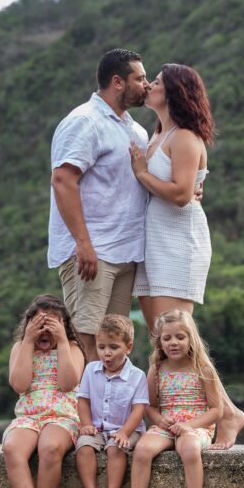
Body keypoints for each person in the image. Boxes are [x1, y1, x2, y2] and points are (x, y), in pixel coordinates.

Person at [129, 63, 244, 450]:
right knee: (161, 339)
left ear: (175, 92)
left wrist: (142, 173)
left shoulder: (185, 137)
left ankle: (226, 414)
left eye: (157, 82)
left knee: (180, 336)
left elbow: (181, 195)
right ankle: (179, 415)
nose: (149, 85)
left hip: (179, 244)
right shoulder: (156, 134)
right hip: (153, 244)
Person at [48, 49, 150, 363]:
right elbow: (63, 180)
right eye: (140, 78)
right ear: (117, 82)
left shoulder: (135, 130)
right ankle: (80, 400)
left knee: (113, 347)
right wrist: (83, 243)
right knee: (88, 344)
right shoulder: (85, 121)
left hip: (126, 253)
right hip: (93, 253)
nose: (146, 85)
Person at [122, 310, 222, 488]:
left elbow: (216, 410)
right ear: (160, 342)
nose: (173, 342)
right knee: (142, 450)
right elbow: (149, 406)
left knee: (189, 449)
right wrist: (159, 420)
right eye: (167, 338)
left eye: (180, 337)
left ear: (191, 338)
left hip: (195, 425)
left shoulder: (203, 368)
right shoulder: (157, 369)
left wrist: (190, 426)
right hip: (166, 425)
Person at [2, 295, 85, 488]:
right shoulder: (20, 347)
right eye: (39, 324)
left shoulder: (73, 348)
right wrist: (28, 341)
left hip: (62, 415)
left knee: (49, 448)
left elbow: (68, 384)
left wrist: (62, 342)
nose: (45, 331)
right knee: (12, 449)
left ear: (64, 325)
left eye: (52, 324)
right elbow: (20, 384)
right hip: (28, 416)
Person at [75, 314, 149, 488]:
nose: (106, 353)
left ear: (128, 347)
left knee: (115, 448)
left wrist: (124, 432)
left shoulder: (137, 376)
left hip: (128, 429)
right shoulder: (90, 370)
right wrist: (86, 424)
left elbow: (139, 410)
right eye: (101, 347)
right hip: (97, 428)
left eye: (114, 347)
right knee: (83, 446)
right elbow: (83, 400)